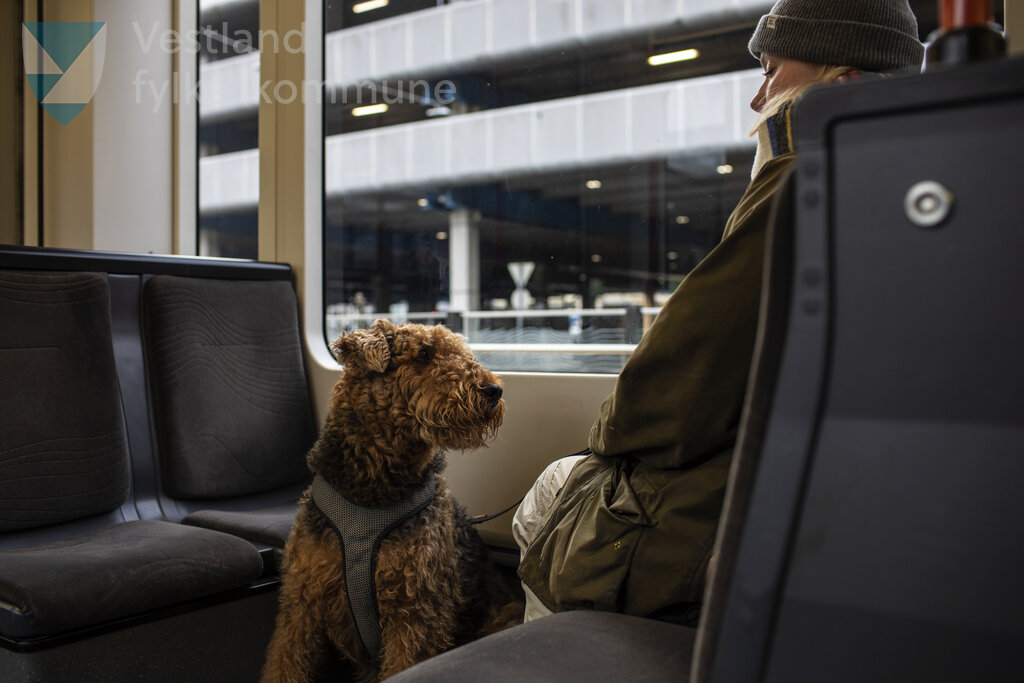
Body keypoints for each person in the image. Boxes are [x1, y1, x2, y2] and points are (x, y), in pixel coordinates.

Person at [514, 0, 925, 627]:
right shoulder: (923, 184)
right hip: (851, 508)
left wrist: (606, 445)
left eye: (773, 70)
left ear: (841, 83)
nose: (758, 97)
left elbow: (668, 395)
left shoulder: (801, 182)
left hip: (754, 510)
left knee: (553, 490)